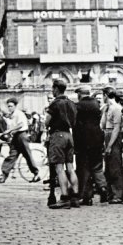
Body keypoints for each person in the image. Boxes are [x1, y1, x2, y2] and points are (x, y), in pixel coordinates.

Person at [45, 79, 80, 209]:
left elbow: (47, 121)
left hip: (57, 135)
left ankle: (65, 197)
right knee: (70, 167)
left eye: (52, 89)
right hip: (69, 135)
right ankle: (75, 197)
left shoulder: (55, 104)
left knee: (59, 168)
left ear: (56, 89)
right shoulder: (71, 103)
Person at [72, 87, 108, 205]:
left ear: (80, 94)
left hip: (83, 141)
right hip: (96, 139)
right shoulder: (96, 105)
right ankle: (103, 188)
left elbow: (76, 125)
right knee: (97, 167)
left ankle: (87, 196)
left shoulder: (77, 106)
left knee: (84, 169)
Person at [1, 98, 40, 182]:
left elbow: (21, 124)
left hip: (22, 136)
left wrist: (10, 130)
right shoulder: (11, 115)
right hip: (15, 136)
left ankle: (36, 173)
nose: (9, 108)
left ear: (15, 106)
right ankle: (4, 175)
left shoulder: (19, 113)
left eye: (11, 106)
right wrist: (11, 132)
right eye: (8, 106)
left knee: (27, 155)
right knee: (12, 155)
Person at [101, 87, 123, 203]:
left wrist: (110, 145)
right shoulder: (107, 108)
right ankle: (111, 193)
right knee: (109, 167)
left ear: (106, 95)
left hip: (113, 136)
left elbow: (116, 128)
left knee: (115, 166)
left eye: (103, 95)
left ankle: (118, 194)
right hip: (107, 133)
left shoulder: (116, 109)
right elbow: (102, 124)